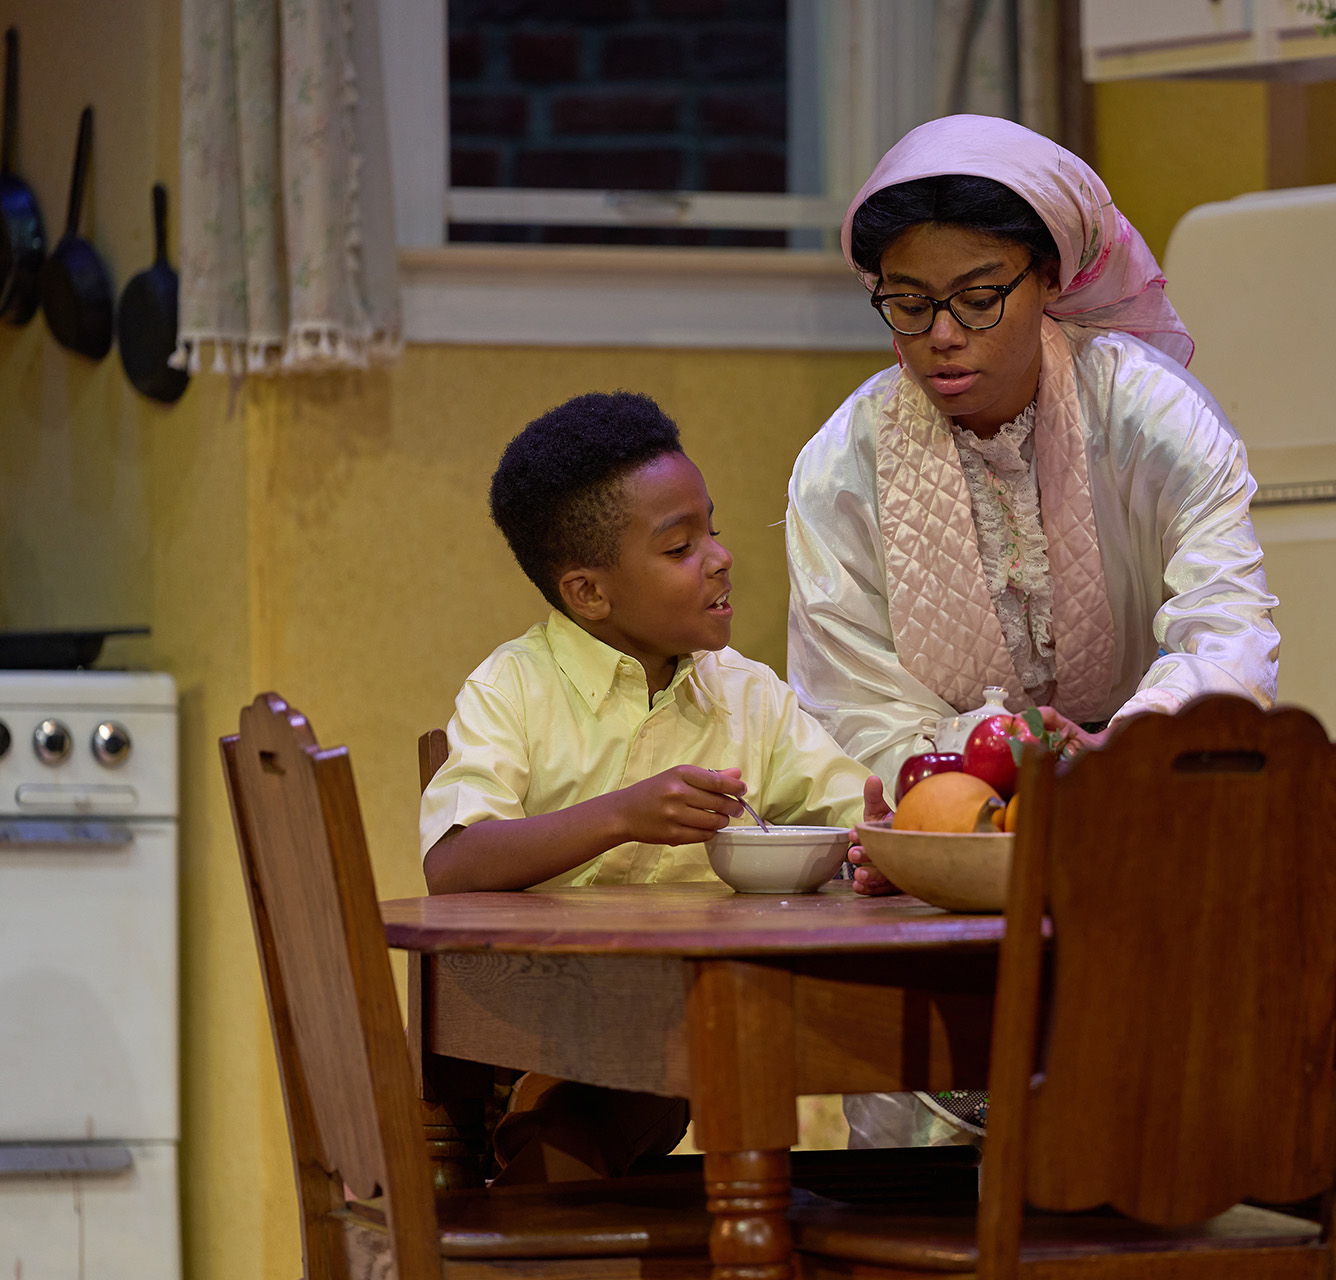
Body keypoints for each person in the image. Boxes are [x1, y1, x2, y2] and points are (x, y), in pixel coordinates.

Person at [784, 115, 1280, 1146]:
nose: (942, 336)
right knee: (930, 1189)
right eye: (908, 304)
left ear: (1050, 277)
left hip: (1143, 834)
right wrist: (980, 784)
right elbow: (849, 693)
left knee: (1146, 1155)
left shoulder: (1152, 415)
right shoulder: (841, 465)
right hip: (943, 863)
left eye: (978, 298)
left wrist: (1106, 763)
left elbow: (1225, 633)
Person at [421, 390, 885, 1178]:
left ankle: (564, 1153)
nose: (720, 557)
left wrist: (881, 844)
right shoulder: (513, 689)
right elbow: (453, 863)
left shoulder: (747, 696)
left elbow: (856, 811)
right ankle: (553, 1133)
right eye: (679, 547)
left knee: (674, 1071)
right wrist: (622, 815)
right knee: (605, 1109)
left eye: (713, 529)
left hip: (690, 1026)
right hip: (530, 1014)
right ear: (588, 593)